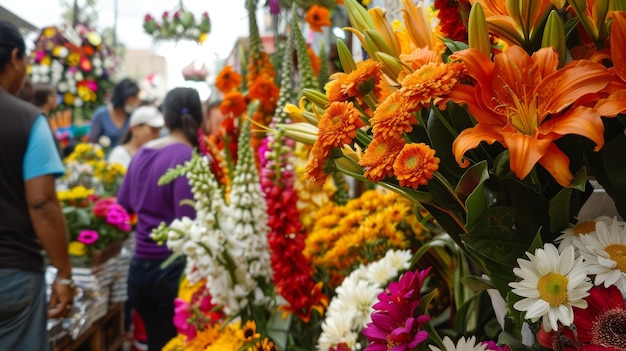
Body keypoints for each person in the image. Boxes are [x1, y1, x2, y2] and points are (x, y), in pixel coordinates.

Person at [0, 21, 74, 350]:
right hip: (12, 274)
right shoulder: (28, 119)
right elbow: (42, 203)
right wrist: (64, 273)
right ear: (15, 57)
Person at [117, 87, 202, 350]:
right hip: (169, 275)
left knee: (156, 342)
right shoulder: (187, 157)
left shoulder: (142, 153)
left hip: (139, 272)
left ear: (165, 119)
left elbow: (124, 204)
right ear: (200, 118)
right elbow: (189, 223)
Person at [88, 78, 140, 148]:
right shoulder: (101, 114)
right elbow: (91, 141)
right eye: (133, 97)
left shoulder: (133, 118)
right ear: (122, 97)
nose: (136, 102)